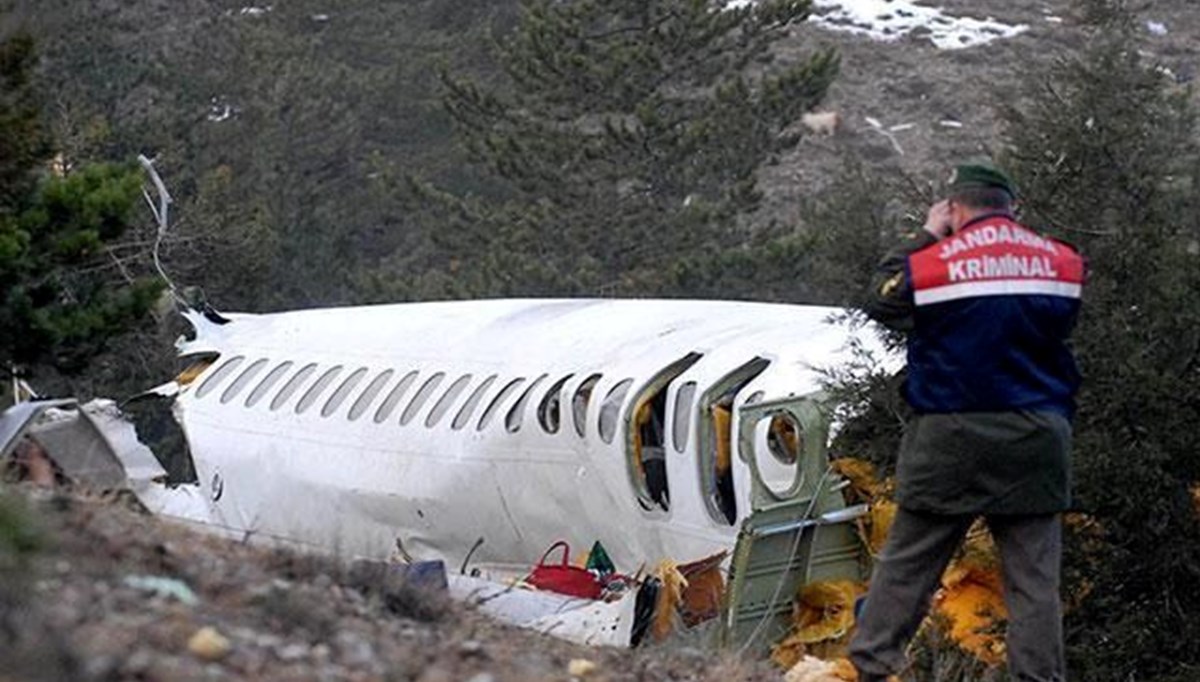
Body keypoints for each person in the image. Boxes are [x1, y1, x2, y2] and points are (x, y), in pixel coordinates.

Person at [848, 160, 1085, 682]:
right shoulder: (1062, 263)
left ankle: (872, 665)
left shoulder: (935, 264)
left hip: (949, 433)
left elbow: (880, 299)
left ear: (954, 209)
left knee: (909, 564)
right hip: (1036, 435)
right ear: (1012, 209)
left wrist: (927, 235)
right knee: (1033, 581)